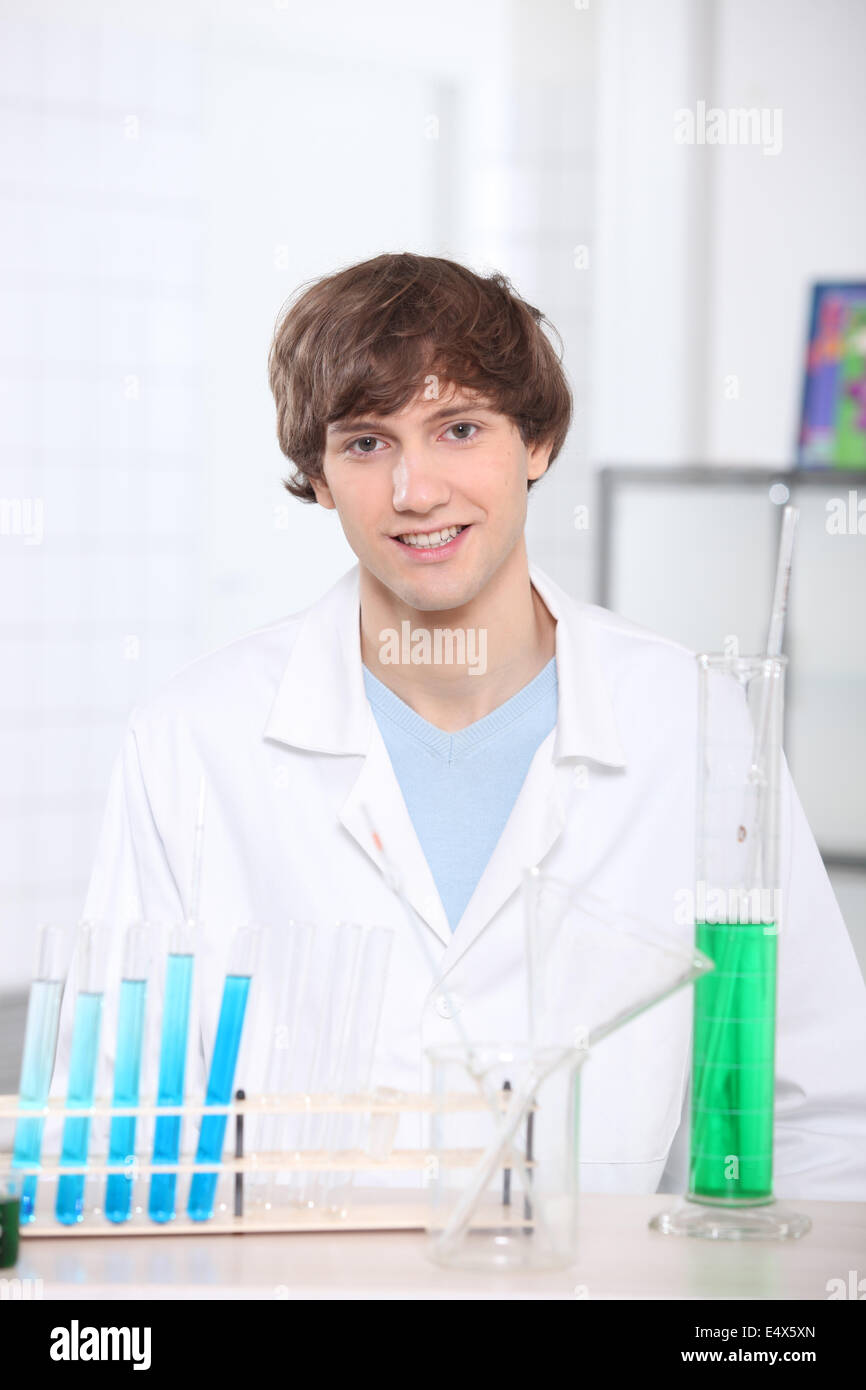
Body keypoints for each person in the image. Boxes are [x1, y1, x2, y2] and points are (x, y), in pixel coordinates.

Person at [51, 252, 866, 1199]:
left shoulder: (692, 724)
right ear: (317, 475)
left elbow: (817, 1125)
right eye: (366, 443)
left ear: (538, 444)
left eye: (460, 427)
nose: (417, 490)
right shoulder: (192, 740)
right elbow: (111, 1131)